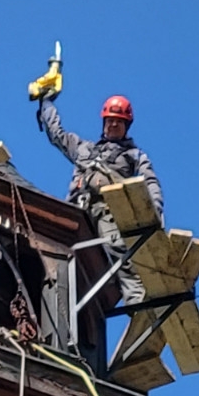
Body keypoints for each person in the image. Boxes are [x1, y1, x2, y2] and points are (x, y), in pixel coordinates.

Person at [36, 92, 162, 306]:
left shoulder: (133, 155)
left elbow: (150, 182)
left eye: (118, 122)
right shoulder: (84, 149)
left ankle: (138, 304)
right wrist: (46, 103)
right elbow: (57, 134)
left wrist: (154, 209)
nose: (113, 125)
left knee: (120, 252)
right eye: (110, 120)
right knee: (59, 253)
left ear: (126, 126)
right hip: (77, 212)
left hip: (107, 211)